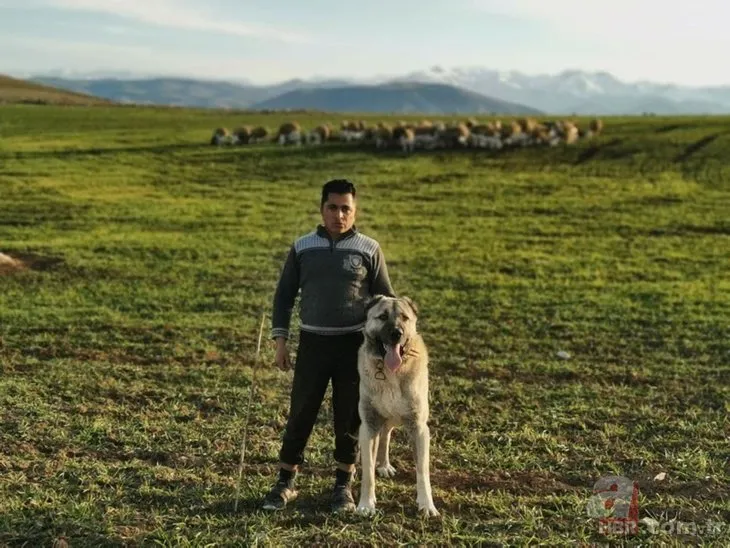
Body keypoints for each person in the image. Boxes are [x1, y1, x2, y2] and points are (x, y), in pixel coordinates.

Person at [262, 179, 396, 513]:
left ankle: (342, 486)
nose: (339, 214)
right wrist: (281, 341)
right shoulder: (303, 246)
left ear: (355, 211)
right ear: (322, 209)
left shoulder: (369, 248)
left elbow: (387, 300)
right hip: (312, 344)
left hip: (353, 347)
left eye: (345, 208)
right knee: (301, 412)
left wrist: (387, 348)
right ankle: (285, 482)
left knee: (349, 416)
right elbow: (284, 296)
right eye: (332, 208)